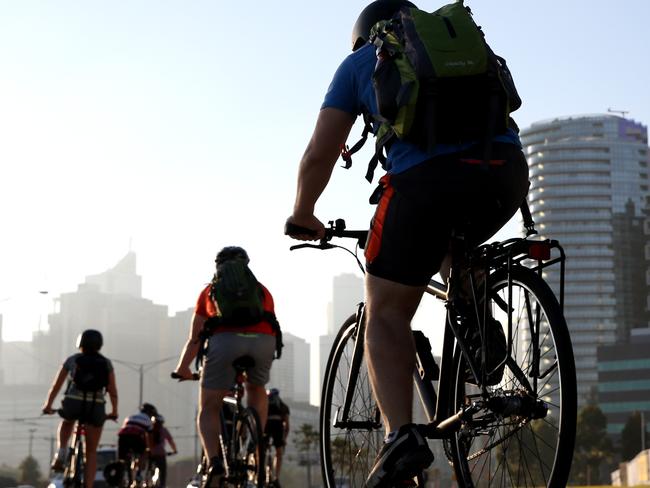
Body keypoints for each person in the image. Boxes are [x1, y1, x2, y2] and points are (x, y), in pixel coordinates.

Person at [285, 1, 530, 486]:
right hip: (504, 176)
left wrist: (302, 210)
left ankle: (400, 435)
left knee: (386, 311)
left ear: (362, 35)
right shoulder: (462, 46)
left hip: (424, 184)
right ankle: (472, 299)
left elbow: (320, 152)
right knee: (452, 236)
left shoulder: (361, 60)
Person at [173, 246, 280, 487]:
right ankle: (256, 443)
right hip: (264, 343)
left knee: (209, 408)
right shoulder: (262, 291)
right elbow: (271, 322)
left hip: (225, 343)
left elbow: (195, 339)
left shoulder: (210, 291)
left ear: (217, 266)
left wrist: (183, 368)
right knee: (256, 389)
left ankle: (215, 462)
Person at [42, 329, 118, 488]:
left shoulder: (72, 360)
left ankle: (62, 450)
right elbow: (112, 391)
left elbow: (56, 386)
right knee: (91, 452)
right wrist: (114, 411)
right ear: (99, 345)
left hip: (73, 402)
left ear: (80, 343)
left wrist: (48, 405)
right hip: (96, 407)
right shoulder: (106, 363)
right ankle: (88, 486)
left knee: (67, 419)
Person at [117, 403, 157, 483]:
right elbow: (150, 437)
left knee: (122, 458)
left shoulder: (131, 417)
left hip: (123, 437)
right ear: (150, 414)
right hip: (136, 437)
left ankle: (122, 470)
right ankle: (138, 474)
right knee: (144, 452)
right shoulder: (148, 421)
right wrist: (150, 450)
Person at [265, 388, 290, 487]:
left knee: (260, 450)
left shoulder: (264, 404)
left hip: (266, 426)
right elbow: (287, 426)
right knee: (278, 453)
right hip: (278, 428)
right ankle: (276, 477)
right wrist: (284, 439)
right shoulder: (283, 406)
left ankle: (260, 472)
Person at [150, 414, 178, 488]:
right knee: (163, 471)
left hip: (150, 454)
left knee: (150, 468)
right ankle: (162, 485)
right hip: (161, 454)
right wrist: (175, 450)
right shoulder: (163, 430)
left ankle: (148, 480)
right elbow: (171, 441)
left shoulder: (150, 429)